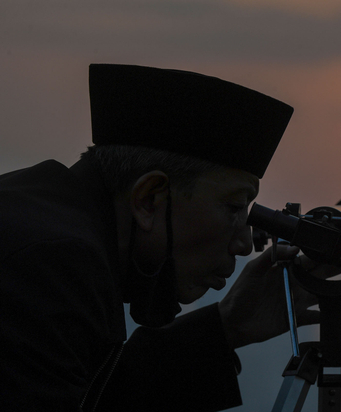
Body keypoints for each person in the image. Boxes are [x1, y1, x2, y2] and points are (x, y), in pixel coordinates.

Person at [0, 64, 321, 411]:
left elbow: (92, 398)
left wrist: (227, 327)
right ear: (149, 199)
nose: (244, 244)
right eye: (233, 207)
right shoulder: (51, 263)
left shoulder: (45, 228)